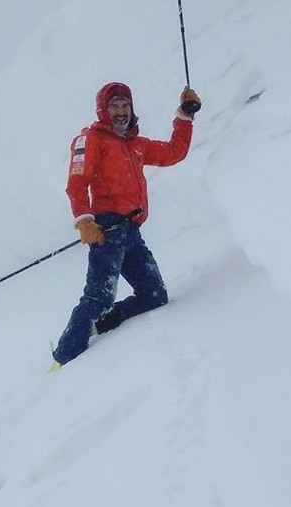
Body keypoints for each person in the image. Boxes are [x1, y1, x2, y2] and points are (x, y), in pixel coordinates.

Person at [51, 81, 201, 367]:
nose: (121, 112)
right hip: (106, 232)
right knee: (98, 297)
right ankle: (64, 358)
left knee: (154, 295)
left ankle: (105, 324)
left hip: (132, 232)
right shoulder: (91, 140)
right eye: (114, 106)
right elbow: (77, 183)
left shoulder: (136, 144)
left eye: (125, 106)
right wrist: (85, 222)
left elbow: (173, 152)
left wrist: (185, 115)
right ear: (102, 110)